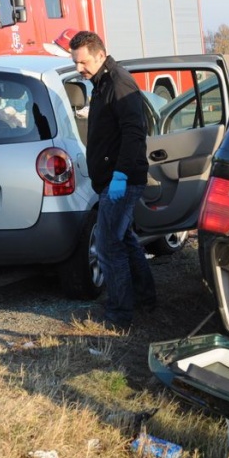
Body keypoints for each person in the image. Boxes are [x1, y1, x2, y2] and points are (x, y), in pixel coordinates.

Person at [69, 30, 155, 330]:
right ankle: (146, 298)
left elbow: (134, 132)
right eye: (76, 63)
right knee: (125, 240)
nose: (80, 69)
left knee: (108, 246)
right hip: (111, 178)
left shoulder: (118, 82)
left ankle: (118, 315)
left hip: (123, 179)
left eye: (83, 62)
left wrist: (120, 174)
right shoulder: (101, 82)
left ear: (101, 55)